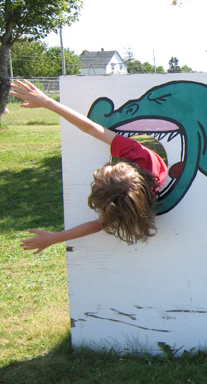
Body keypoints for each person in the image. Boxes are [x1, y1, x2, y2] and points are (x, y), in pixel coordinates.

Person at [10, 80, 168, 254]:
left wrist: (53, 238)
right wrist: (47, 102)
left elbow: (97, 225)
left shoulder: (127, 194)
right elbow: (90, 127)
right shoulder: (137, 153)